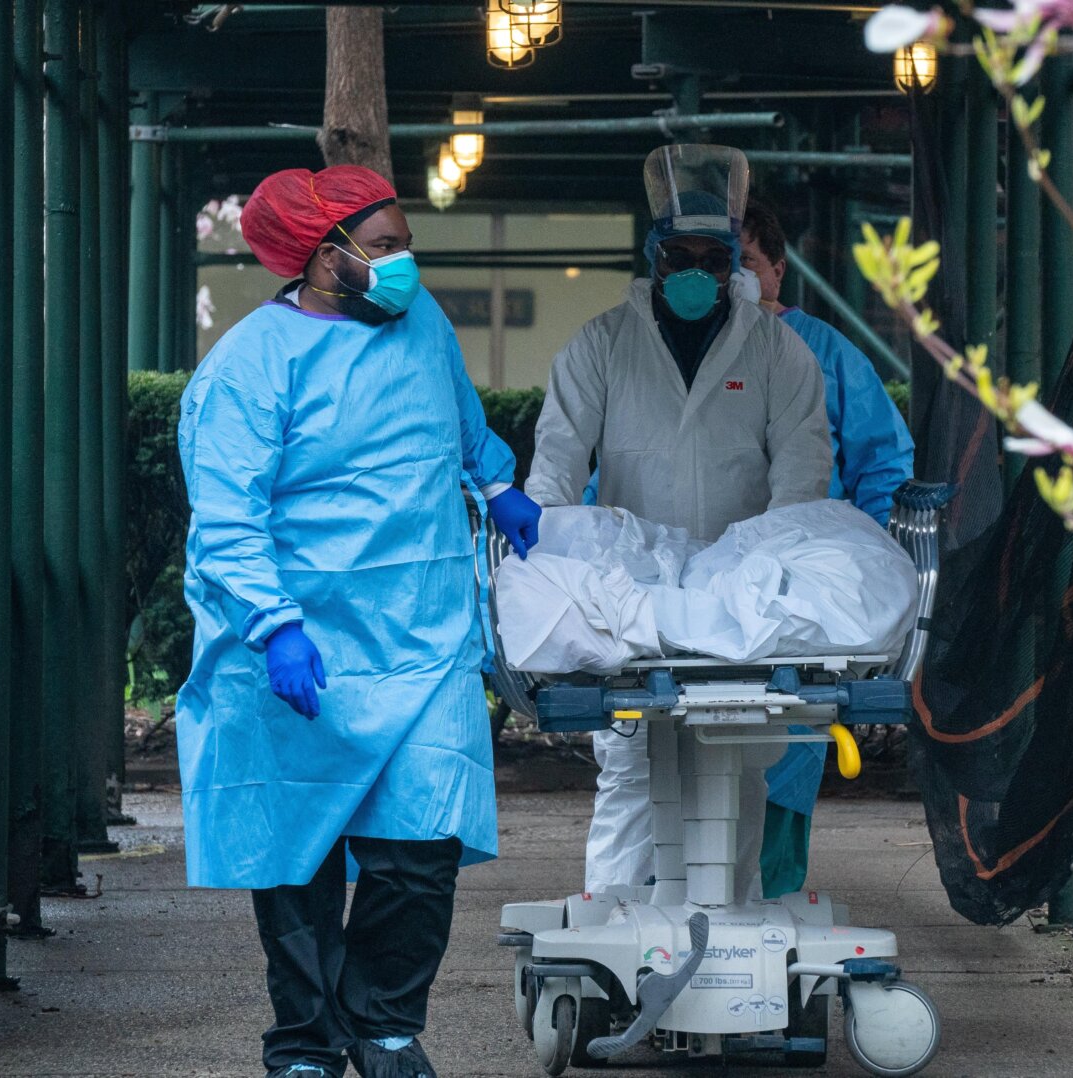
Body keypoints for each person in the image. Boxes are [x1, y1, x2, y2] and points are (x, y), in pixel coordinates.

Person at [176, 164, 542, 1078]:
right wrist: (272, 624)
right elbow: (226, 516)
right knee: (298, 856)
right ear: (321, 255)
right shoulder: (249, 365)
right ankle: (304, 1043)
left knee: (420, 849)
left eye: (405, 242)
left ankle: (382, 1024)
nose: (404, 261)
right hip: (301, 644)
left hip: (420, 642)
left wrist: (497, 483)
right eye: (384, 247)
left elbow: (459, 422)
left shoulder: (421, 324)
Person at [524, 145, 833, 902]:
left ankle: (736, 942)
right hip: (632, 599)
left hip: (743, 598)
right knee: (632, 772)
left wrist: (771, 580)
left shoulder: (777, 350)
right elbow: (557, 465)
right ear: (652, 257)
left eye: (711, 256)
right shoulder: (602, 345)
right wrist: (545, 567)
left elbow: (801, 478)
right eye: (678, 256)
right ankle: (613, 954)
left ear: (734, 260)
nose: (694, 271)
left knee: (739, 769)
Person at [737, 200, 916, 897]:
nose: (731, 279)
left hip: (804, 573)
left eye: (745, 262)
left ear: (777, 270)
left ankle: (773, 891)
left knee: (792, 730)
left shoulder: (828, 353)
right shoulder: (672, 353)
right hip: (699, 575)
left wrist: (864, 555)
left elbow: (882, 463)